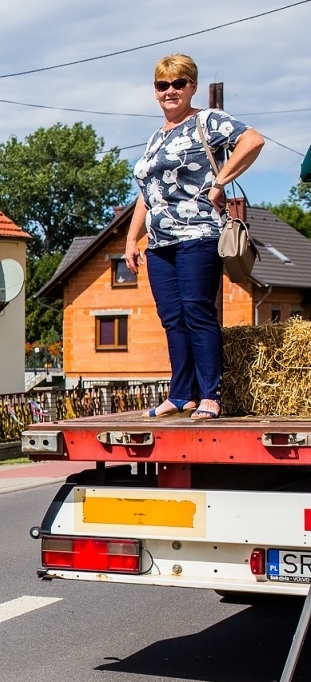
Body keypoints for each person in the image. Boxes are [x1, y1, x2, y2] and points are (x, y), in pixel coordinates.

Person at [126, 54, 264, 421]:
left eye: (178, 83)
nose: (170, 91)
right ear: (155, 91)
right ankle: (181, 393)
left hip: (198, 234)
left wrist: (220, 182)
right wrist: (131, 240)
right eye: (162, 85)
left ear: (192, 87)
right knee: (172, 317)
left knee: (196, 310)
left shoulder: (207, 121)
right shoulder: (157, 137)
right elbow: (148, 193)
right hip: (159, 242)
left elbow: (253, 141)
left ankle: (209, 396)